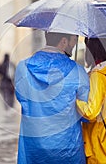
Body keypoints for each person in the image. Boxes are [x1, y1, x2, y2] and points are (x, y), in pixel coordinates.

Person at [14, 32, 90, 164]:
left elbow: (22, 98)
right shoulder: (78, 71)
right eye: (73, 40)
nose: (74, 44)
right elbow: (85, 111)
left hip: (34, 146)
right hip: (68, 148)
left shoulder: (23, 67)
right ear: (64, 41)